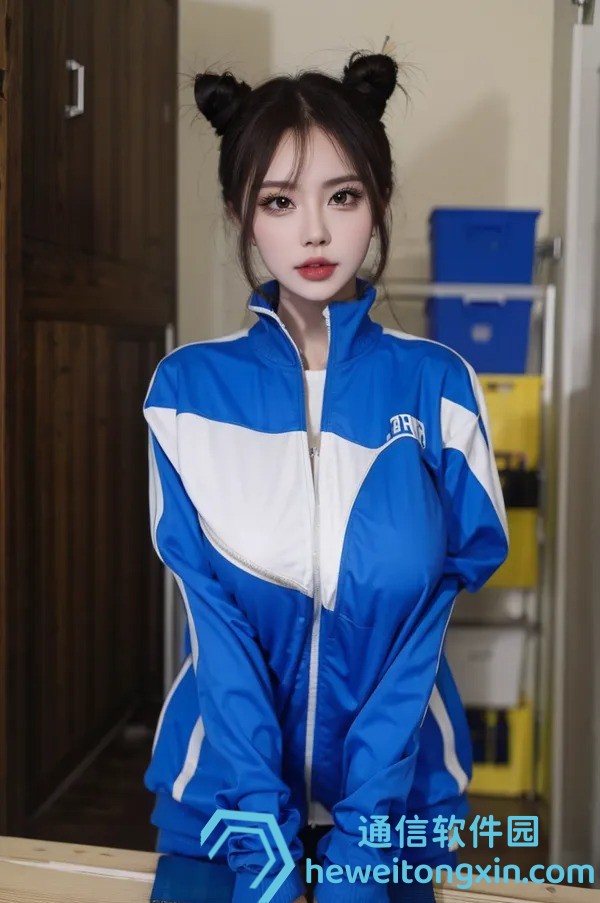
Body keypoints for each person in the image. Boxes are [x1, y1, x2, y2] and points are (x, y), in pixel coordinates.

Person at [143, 45, 509, 903]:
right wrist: (260, 834)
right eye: (280, 200)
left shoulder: (440, 386)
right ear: (244, 214)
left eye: (341, 196)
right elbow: (214, 626)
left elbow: (424, 627)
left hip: (398, 801)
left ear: (377, 200)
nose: (314, 231)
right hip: (221, 799)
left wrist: (363, 846)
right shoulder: (186, 394)